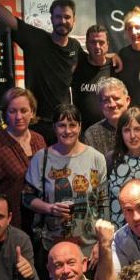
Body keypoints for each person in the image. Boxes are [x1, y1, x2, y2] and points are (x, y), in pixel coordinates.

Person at [0, 0, 83, 143]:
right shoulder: (36, 39)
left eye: (67, 17)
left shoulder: (75, 47)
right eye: (58, 16)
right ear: (51, 19)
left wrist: (115, 58)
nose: (63, 20)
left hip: (63, 123)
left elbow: (94, 60)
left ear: (73, 20)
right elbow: (10, 20)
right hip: (37, 122)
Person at [23, 103, 108, 269]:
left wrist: (101, 243)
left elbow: (103, 203)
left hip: (88, 248)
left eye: (72, 125)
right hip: (51, 245)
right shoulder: (42, 158)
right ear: (54, 127)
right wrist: (49, 208)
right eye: (62, 125)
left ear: (80, 126)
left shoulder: (96, 158)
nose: (67, 131)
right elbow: (27, 198)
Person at [0, 87, 47, 235]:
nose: (19, 116)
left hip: (40, 222)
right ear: (5, 114)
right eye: (13, 111)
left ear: (32, 112)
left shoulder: (39, 140)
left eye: (24, 110)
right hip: (11, 225)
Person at [83, 78, 140, 158]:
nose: (112, 104)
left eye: (116, 98)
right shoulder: (92, 134)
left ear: (127, 100)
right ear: (100, 105)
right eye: (106, 100)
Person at [113, 6, 140, 118]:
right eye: (129, 28)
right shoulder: (123, 54)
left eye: (138, 27)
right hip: (128, 117)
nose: (134, 32)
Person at [72, 25, 113, 130]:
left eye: (101, 42)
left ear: (107, 45)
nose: (97, 46)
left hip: (111, 130)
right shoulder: (77, 66)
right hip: (82, 131)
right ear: (86, 44)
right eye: (93, 42)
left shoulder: (115, 67)